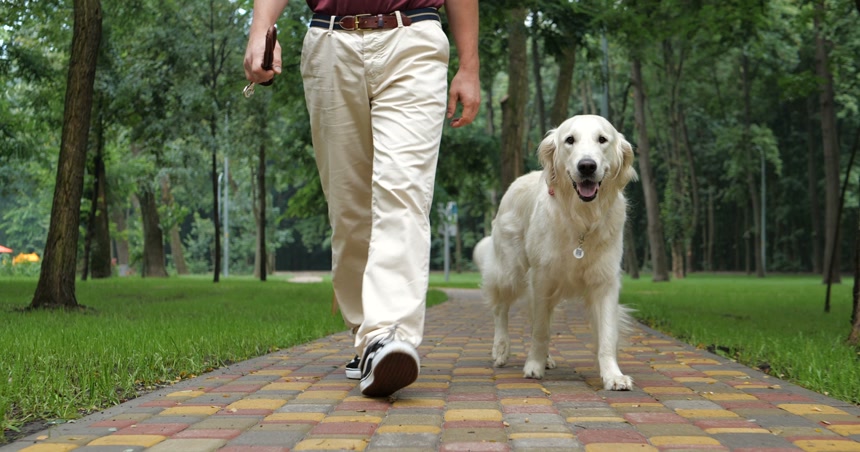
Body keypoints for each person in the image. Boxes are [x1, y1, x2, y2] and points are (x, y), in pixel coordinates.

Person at [244, 1, 480, 397]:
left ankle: (388, 334)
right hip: (330, 40)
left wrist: (469, 66)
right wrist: (260, 28)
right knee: (349, 207)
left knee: (403, 193)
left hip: (414, 39)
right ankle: (366, 334)